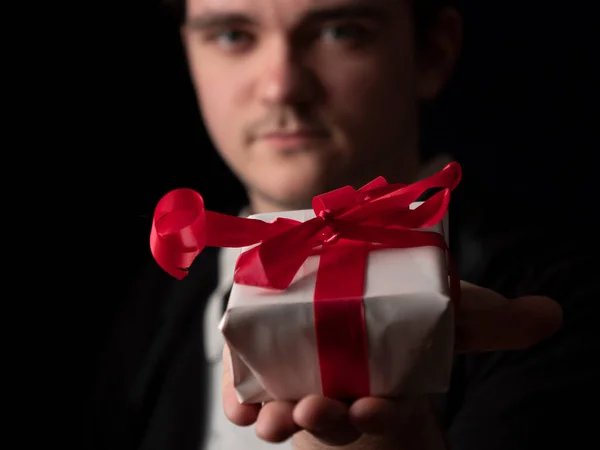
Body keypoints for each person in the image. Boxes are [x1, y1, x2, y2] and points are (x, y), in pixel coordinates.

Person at [89, 0, 597, 449]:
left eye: (341, 31)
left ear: (433, 52)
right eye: (232, 35)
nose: (281, 87)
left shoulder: (556, 300)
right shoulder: (147, 308)